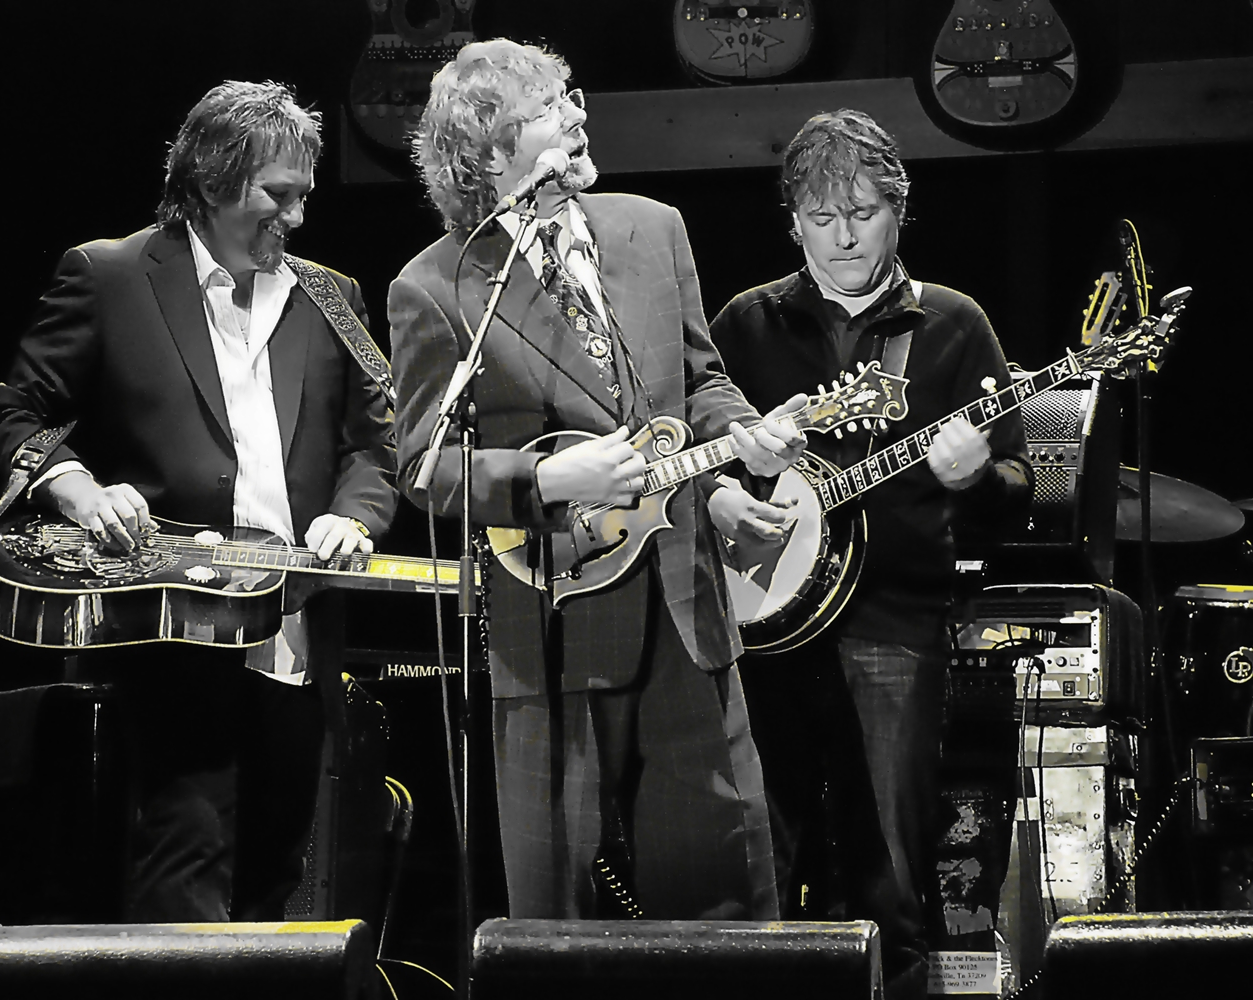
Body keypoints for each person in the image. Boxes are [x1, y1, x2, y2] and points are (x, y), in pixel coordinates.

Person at [389, 38, 810, 920]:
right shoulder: (435, 286)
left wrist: (746, 435)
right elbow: (425, 465)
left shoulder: (653, 227)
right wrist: (549, 477)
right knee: (557, 920)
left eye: (571, 94)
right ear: (490, 152)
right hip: (552, 625)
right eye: (548, 109)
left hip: (685, 607)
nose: (578, 116)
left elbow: (701, 382)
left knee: (727, 896)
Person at [0, 80, 396, 921]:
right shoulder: (109, 274)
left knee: (276, 879)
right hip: (167, 634)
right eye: (277, 195)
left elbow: (374, 443)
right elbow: (18, 413)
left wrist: (354, 515)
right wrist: (78, 489)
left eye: (304, 196)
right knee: (184, 869)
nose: (297, 217)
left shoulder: (332, 294)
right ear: (211, 182)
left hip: (294, 629)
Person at [710, 109, 1032, 998]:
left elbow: (1020, 487)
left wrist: (978, 477)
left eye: (863, 212)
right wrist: (724, 497)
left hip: (893, 622)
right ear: (794, 223)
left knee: (890, 870)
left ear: (899, 210)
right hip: (762, 632)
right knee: (762, 861)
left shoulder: (953, 324)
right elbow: (689, 456)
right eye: (821, 217)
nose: (844, 237)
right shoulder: (746, 324)